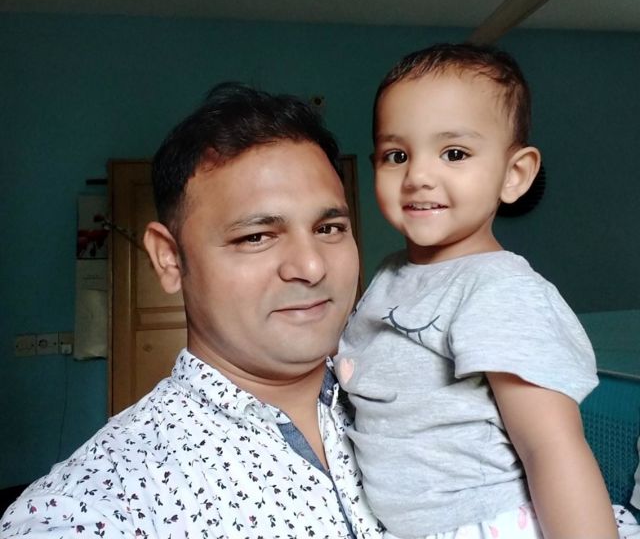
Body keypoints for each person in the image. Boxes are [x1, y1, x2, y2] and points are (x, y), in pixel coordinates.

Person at [1, 83, 382, 538]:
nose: (312, 266)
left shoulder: (409, 393)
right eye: (256, 237)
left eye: (329, 228)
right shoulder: (101, 500)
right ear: (169, 259)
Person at [334, 43, 618, 538]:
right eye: (397, 155)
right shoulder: (390, 273)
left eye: (454, 154)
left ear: (514, 175)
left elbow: (551, 448)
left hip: (487, 524)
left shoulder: (499, 289)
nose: (418, 176)